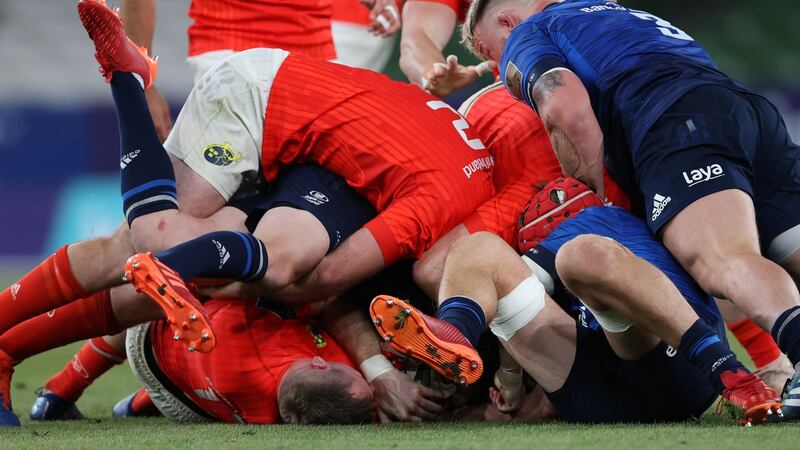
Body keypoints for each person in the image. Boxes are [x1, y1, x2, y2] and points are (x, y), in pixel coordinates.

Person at [462, 0, 800, 415]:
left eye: (490, 52)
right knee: (788, 248)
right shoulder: (615, 12)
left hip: (673, 119)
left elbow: (563, 106)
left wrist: (592, 192)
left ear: (505, 22)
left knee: (721, 260)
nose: (498, 69)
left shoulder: (529, 33)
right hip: (745, 111)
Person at [371, 178, 782, 425]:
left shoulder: (599, 224)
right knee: (498, 253)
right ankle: (454, 334)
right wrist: (509, 384)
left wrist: (510, 384)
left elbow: (519, 278)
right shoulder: (649, 232)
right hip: (614, 385)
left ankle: (729, 373)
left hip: (675, 371)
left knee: (548, 254)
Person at [121, 0, 401, 139]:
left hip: (314, 62)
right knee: (210, 205)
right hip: (232, 53)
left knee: (303, 211)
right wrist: (140, 82)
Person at [124, 297, 376, 425]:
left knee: (146, 293)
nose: (360, 372)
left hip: (150, 352)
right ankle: (133, 405)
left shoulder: (243, 325)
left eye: (357, 374)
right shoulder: (271, 419)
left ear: (319, 363)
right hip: (195, 403)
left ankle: (111, 392)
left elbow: (326, 295)